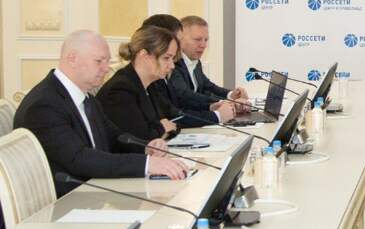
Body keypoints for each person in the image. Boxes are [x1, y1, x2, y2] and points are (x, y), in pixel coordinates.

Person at [12, 30, 189, 197]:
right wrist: (147, 164)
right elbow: (79, 159)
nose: (106, 68)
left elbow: (115, 137)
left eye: (107, 61)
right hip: (66, 201)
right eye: (99, 61)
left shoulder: (86, 97)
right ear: (72, 59)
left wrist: (146, 147)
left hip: (93, 190)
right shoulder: (44, 105)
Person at [97, 26, 185, 142]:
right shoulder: (120, 89)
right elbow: (138, 140)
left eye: (172, 59)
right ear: (144, 55)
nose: (172, 66)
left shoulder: (150, 85)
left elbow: (174, 121)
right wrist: (161, 127)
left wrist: (161, 128)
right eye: (166, 58)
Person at [170, 15, 249, 110]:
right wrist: (225, 103)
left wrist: (231, 95)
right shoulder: (172, 63)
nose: (203, 45)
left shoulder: (195, 61)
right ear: (180, 39)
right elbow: (186, 96)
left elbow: (208, 86)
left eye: (206, 40)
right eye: (197, 39)